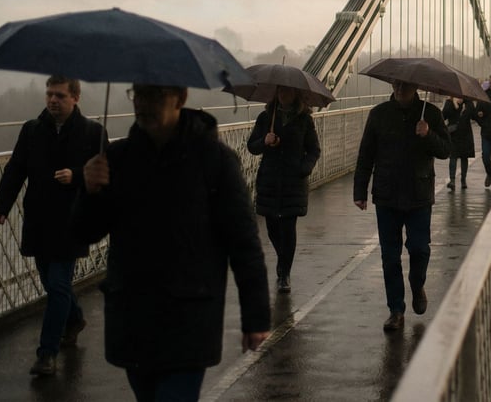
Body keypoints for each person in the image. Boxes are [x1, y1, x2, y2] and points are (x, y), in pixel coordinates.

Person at [73, 84, 271, 401]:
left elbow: (243, 241)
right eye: (137, 95)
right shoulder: (117, 159)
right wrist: (89, 191)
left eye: (154, 97)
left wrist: (256, 317)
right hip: (133, 316)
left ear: (180, 99)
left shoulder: (215, 161)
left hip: (188, 318)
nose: (142, 104)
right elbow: (85, 233)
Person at [0, 76, 103, 377]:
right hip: (39, 220)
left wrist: (78, 176)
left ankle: (47, 353)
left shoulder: (92, 132)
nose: (53, 100)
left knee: (56, 286)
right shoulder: (32, 130)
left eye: (60, 95)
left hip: (72, 222)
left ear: (75, 98)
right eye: (49, 95)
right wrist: (0, 208)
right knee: (51, 281)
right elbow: (15, 169)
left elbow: (106, 176)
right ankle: (76, 318)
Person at [353, 80, 450, 333]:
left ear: (416, 87)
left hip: (419, 194)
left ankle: (417, 284)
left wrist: (428, 135)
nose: (399, 89)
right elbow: (366, 155)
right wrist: (359, 191)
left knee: (419, 249)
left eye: (405, 86)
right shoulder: (379, 114)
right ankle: (396, 310)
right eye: (396, 84)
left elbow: (446, 150)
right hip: (386, 194)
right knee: (389, 257)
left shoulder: (431, 114)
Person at [247, 86, 321, 294]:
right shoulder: (265, 118)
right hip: (269, 180)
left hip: (293, 182)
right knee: (271, 228)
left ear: (295, 94)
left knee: (288, 228)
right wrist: (265, 141)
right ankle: (283, 260)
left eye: (287, 92)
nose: (282, 95)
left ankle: (284, 273)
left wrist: (304, 168)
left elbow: (314, 149)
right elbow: (252, 146)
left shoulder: (304, 120)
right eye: (279, 91)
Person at [441, 96, 475, 190]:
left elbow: (472, 114)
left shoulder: (468, 102)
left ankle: (463, 179)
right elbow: (443, 115)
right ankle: (452, 181)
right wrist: (452, 103)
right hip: (453, 134)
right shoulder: (449, 102)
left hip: (465, 133)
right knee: (453, 156)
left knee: (464, 157)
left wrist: (464, 107)